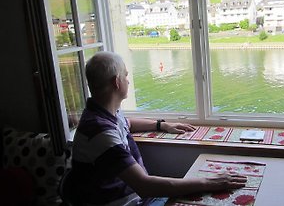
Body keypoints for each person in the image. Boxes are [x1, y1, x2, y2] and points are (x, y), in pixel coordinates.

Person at [70, 51, 246, 206]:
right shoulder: (100, 132)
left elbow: (128, 123)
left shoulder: (106, 114)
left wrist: (162, 125)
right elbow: (145, 186)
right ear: (117, 82)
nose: (128, 81)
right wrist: (209, 182)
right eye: (125, 76)